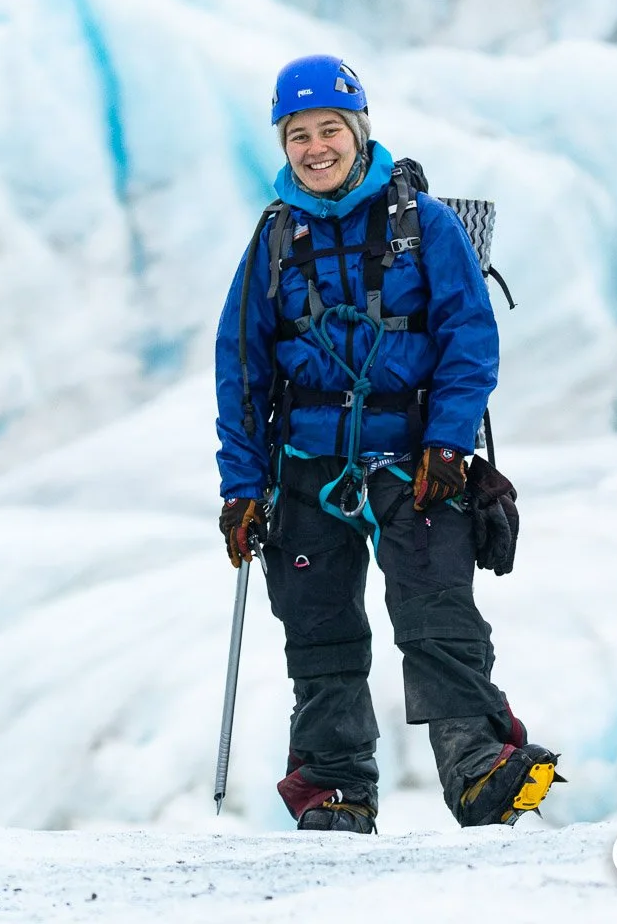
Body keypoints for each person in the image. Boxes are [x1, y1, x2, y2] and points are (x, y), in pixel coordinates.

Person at [213, 53, 560, 833]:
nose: (315, 147)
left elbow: (470, 334)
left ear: (358, 130)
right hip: (305, 464)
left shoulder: (424, 225)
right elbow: (240, 367)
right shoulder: (273, 238)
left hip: (413, 460)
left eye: (329, 128)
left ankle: (482, 770)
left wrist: (447, 442)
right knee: (319, 628)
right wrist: (241, 487)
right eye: (298, 134)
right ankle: (335, 789)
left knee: (436, 613)